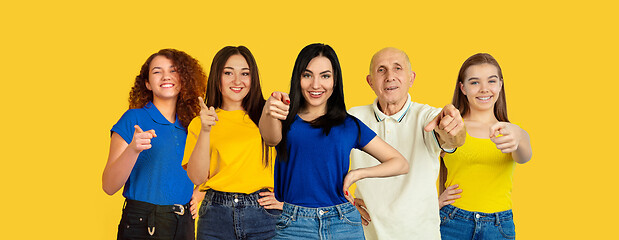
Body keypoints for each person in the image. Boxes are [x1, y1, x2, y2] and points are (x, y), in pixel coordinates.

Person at [259, 43, 409, 240]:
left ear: (335, 80)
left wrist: (357, 174)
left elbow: (400, 163)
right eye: (307, 75)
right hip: (293, 225)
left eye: (325, 76)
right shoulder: (283, 117)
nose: (315, 84)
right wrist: (269, 110)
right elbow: (270, 139)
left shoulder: (349, 125)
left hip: (343, 223)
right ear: (298, 78)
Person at [348, 47, 466, 240]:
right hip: (366, 235)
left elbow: (453, 139)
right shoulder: (354, 118)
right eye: (381, 70)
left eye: (397, 68)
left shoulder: (427, 116)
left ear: (411, 78)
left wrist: (455, 129)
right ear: (370, 81)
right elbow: (325, 163)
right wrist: (346, 202)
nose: (389, 76)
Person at [102, 48, 207, 240]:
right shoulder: (133, 118)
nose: (166, 76)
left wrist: (199, 193)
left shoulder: (194, 125)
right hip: (143, 223)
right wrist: (133, 149)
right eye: (157, 71)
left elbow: (212, 168)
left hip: (183, 224)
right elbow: (109, 186)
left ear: (184, 79)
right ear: (148, 84)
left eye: (173, 70)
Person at [182, 46, 283, 240]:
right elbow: (197, 177)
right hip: (215, 215)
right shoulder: (201, 122)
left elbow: (298, 160)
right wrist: (205, 130)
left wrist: (287, 201)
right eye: (228, 73)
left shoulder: (268, 115)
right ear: (217, 78)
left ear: (253, 79)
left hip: (263, 215)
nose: (237, 81)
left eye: (245, 73)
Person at [438, 53, 533, 240]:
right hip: (452, 221)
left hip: (498, 226)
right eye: (474, 82)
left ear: (500, 85)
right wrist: (433, 203)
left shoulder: (511, 132)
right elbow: (418, 168)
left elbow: (524, 157)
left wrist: (519, 135)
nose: (484, 89)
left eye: (491, 81)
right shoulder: (450, 128)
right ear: (462, 88)